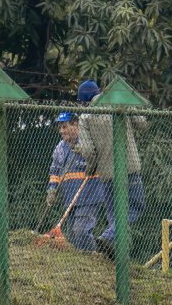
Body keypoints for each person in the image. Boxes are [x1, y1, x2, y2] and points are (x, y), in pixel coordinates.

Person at [75, 79, 146, 256]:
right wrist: (130, 107)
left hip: (105, 173)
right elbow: (142, 124)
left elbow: (88, 150)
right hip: (129, 168)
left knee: (114, 214)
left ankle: (114, 252)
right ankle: (108, 237)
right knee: (136, 206)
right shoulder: (118, 103)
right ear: (99, 91)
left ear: (84, 100)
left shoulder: (85, 117)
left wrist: (91, 167)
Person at [46, 112, 105, 252]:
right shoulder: (60, 148)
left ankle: (92, 258)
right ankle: (79, 265)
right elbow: (55, 171)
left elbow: (101, 159)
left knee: (81, 231)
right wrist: (52, 190)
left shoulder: (89, 141)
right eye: (60, 127)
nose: (61, 131)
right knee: (72, 235)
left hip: (89, 194)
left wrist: (86, 151)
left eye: (64, 127)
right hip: (70, 197)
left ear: (76, 125)